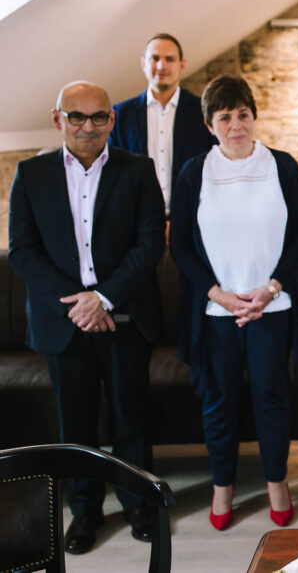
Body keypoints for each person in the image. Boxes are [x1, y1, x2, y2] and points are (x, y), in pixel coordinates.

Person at [8, 81, 165, 553]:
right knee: (74, 428)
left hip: (125, 318)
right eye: (77, 117)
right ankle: (85, 515)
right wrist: (81, 302)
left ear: (112, 121)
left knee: (130, 421)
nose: (88, 126)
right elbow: (23, 251)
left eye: (99, 117)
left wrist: (105, 297)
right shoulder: (30, 174)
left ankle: (139, 507)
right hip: (65, 324)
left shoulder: (138, 170)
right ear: (59, 120)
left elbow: (150, 242)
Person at [169, 74, 298, 530]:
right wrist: (218, 294)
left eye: (243, 114)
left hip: (272, 305)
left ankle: (276, 482)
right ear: (211, 124)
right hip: (217, 310)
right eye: (225, 116)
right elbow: (182, 248)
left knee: (271, 396)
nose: (236, 125)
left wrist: (269, 289)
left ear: (254, 116)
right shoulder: (194, 172)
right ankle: (222, 485)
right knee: (219, 400)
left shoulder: (283, 166)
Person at [111, 33, 217, 214]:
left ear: (181, 65)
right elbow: (113, 173)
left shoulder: (204, 113)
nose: (161, 66)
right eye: (155, 58)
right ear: (144, 63)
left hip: (192, 217)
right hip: (137, 221)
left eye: (169, 59)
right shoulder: (120, 115)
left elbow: (214, 167)